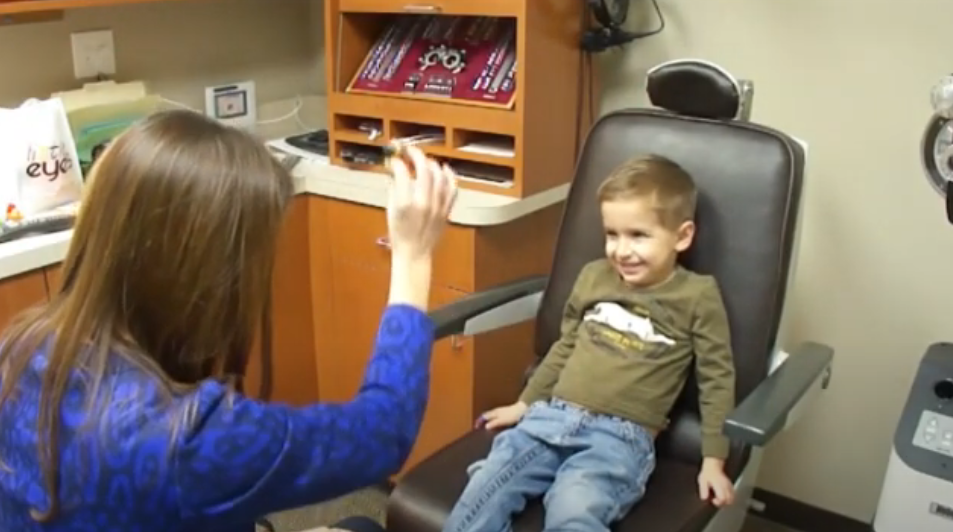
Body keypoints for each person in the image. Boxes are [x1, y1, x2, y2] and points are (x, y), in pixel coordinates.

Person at [0, 110, 457, 532]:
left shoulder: (21, 345)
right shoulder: (190, 440)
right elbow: (382, 433)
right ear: (205, 279)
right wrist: (413, 256)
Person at [442, 154, 737, 532]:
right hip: (550, 417)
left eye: (638, 235)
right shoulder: (594, 276)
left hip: (618, 439)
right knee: (484, 490)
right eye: (612, 234)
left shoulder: (697, 296)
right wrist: (525, 403)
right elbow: (564, 347)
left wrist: (714, 460)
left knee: (574, 512)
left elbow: (717, 378)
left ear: (682, 236)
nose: (620, 250)